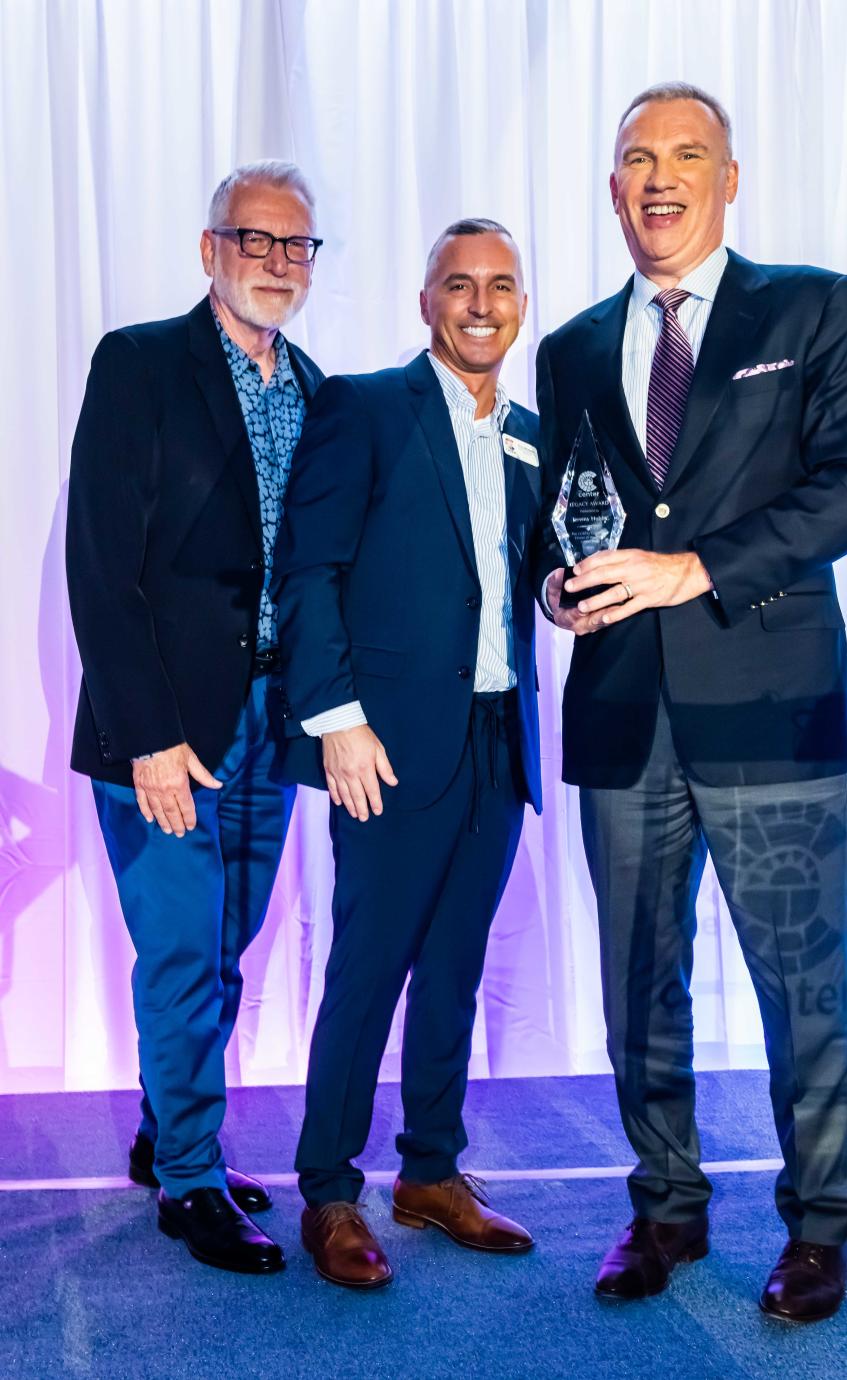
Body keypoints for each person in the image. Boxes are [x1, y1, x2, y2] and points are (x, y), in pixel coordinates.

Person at [535, 83, 847, 1321]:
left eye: (686, 154)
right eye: (636, 157)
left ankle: (819, 1226)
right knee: (640, 984)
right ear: (614, 183)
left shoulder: (813, 305)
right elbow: (568, 516)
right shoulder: (574, 344)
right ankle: (665, 1210)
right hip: (624, 715)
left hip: (773, 706)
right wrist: (557, 587)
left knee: (805, 981)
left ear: (729, 178)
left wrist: (699, 568)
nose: (659, 176)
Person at [66, 160, 323, 1274]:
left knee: (226, 946)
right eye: (253, 240)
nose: (275, 262)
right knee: (179, 952)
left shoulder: (313, 384)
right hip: (166, 727)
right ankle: (188, 1183)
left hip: (269, 719)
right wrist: (148, 736)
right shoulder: (140, 364)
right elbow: (99, 565)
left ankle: (168, 1133)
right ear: (209, 249)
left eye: (294, 246)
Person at [274, 219, 542, 1288]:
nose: (481, 303)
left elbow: (520, 579)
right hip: (383, 746)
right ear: (427, 301)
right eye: (459, 285)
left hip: (493, 739)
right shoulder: (367, 407)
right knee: (368, 970)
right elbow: (309, 571)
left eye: (501, 286)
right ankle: (329, 1191)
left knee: (457, 971)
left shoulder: (528, 431)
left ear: (521, 304)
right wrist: (337, 718)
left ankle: (431, 1172)